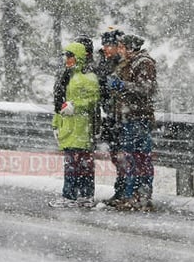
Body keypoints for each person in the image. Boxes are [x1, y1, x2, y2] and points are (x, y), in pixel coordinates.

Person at [107, 34, 157, 211]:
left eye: (121, 47)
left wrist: (123, 85)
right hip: (128, 118)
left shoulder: (144, 63)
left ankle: (139, 196)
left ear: (130, 48)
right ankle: (131, 195)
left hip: (138, 118)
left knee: (138, 158)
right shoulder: (128, 63)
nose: (119, 50)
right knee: (131, 158)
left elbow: (146, 88)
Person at [50, 42, 100, 208]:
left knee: (81, 164)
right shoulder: (67, 77)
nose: (67, 59)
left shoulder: (89, 77)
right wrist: (56, 124)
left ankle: (80, 196)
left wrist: (75, 105)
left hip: (82, 128)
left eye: (70, 56)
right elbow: (59, 104)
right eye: (66, 56)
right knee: (73, 164)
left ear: (78, 56)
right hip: (68, 128)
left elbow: (93, 101)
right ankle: (75, 196)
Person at [96, 28, 126, 204]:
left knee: (124, 157)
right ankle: (120, 191)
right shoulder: (102, 62)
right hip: (110, 116)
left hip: (123, 116)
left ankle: (125, 192)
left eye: (110, 45)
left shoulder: (123, 62)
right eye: (104, 45)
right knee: (116, 155)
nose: (106, 48)